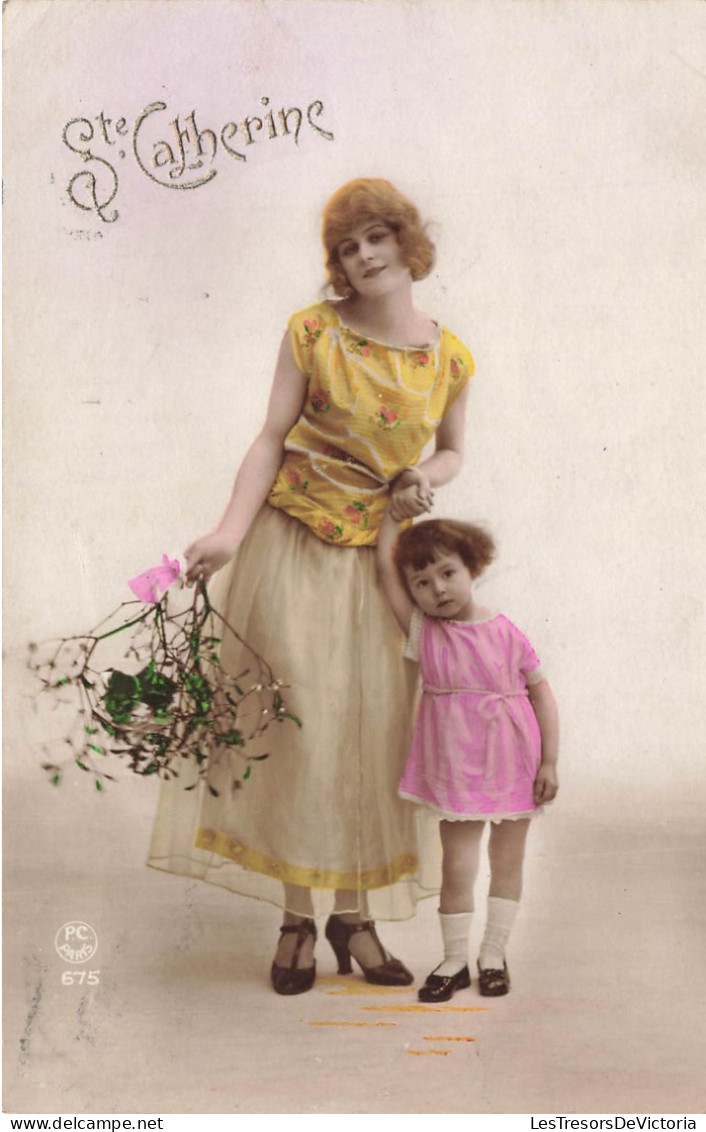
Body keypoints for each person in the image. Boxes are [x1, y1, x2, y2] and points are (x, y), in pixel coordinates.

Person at [147, 178, 475, 994]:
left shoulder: (451, 356)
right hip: (293, 549)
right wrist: (226, 532)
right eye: (346, 247)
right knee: (300, 732)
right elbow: (269, 439)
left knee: (371, 735)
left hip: (379, 568)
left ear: (406, 240)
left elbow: (453, 451)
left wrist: (421, 477)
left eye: (375, 237)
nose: (362, 256)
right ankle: (297, 916)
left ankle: (353, 918)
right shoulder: (312, 333)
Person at [376, 513, 559, 1001]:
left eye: (448, 573)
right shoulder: (423, 631)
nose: (437, 589)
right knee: (457, 865)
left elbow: (542, 696)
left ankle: (493, 954)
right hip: (454, 768)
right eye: (422, 581)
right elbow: (383, 570)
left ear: (472, 567)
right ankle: (455, 959)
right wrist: (393, 516)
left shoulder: (506, 631)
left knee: (507, 861)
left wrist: (549, 763)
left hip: (513, 761)